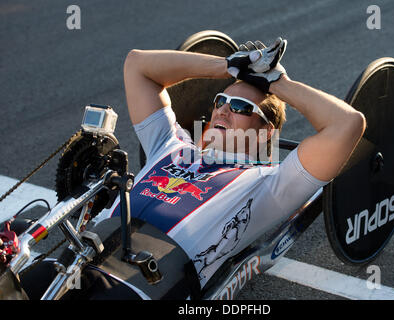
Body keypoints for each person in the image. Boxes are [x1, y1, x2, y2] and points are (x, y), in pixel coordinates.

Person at [93, 37, 366, 289]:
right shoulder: (170, 143)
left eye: (241, 108)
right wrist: (228, 66)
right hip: (86, 254)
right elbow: (137, 65)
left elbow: (347, 125)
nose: (223, 109)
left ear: (265, 133)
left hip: (142, 285)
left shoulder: (267, 184)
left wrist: (277, 84)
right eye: (221, 101)